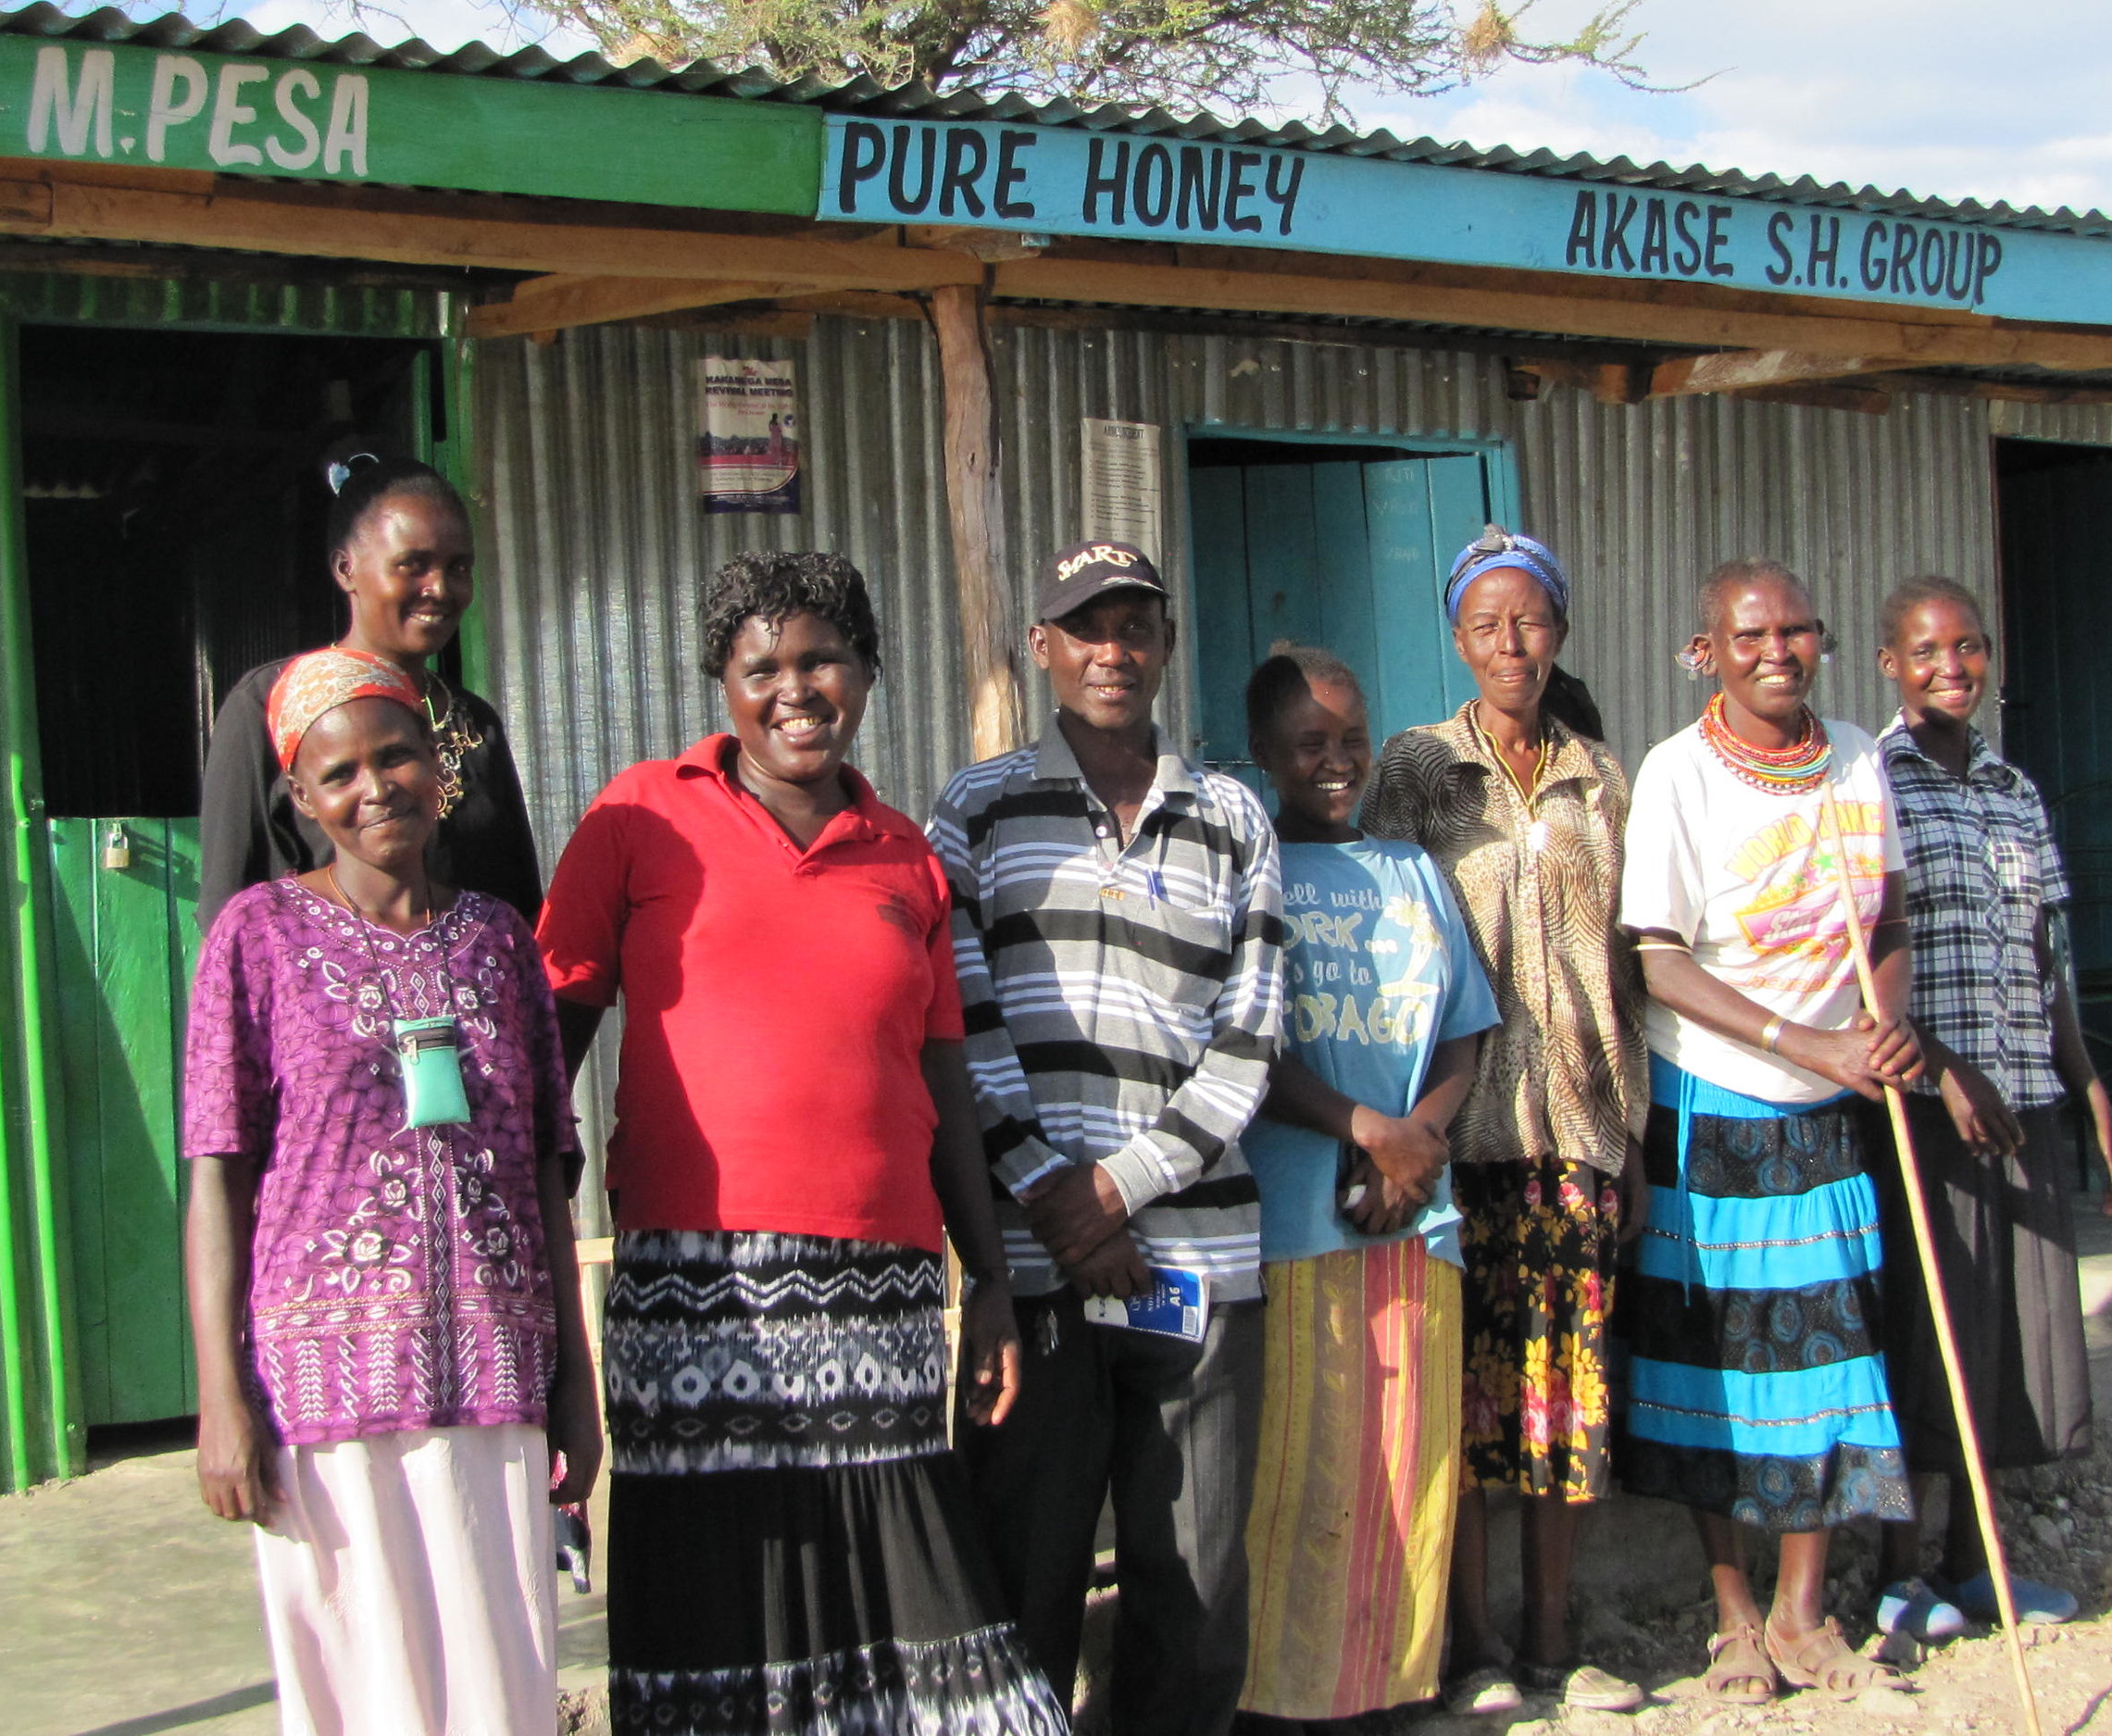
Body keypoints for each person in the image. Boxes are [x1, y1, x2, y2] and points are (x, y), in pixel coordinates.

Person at [536, 553, 1063, 1734]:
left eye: (821, 658)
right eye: (758, 666)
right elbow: (542, 1043)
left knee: (907, 1601)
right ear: (720, 686)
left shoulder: (904, 858)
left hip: (878, 1287)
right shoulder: (641, 816)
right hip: (693, 1285)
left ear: (868, 672)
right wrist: (523, 1237)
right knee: (717, 1597)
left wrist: (989, 1283)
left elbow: (944, 1084)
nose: (794, 689)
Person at [182, 647, 599, 1735]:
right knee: (362, 1684)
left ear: (438, 767)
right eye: (342, 773)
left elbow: (549, 1177)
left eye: (398, 756)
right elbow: (216, 1178)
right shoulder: (256, 938)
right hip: (320, 1390)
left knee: (500, 1679)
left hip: (498, 1374)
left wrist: (575, 1384)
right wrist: (220, 1398)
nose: (376, 788)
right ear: (304, 798)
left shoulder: (503, 944)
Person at [930, 538, 1284, 1736]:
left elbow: (1251, 1035)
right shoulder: (974, 810)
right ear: (1042, 648)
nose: (1113, 650)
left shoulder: (1234, 815)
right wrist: (1057, 1204)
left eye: (1136, 625)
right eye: (1086, 626)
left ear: (1167, 644)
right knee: (1021, 1567)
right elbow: (957, 1025)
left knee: (1191, 1589)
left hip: (1194, 1268)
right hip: (1036, 1269)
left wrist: (1119, 1190)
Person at [1617, 558, 1922, 1703]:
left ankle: (1806, 1611)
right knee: (1720, 1358)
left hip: (1835, 1097)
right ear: (1707, 653)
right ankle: (1733, 1616)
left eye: (1797, 630)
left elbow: (1884, 916)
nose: (1776, 652)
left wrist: (1880, 1027)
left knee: (1831, 1353)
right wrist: (1811, 1045)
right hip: (1717, 1096)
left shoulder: (1853, 755)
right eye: (1751, 636)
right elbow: (1658, 962)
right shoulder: (1678, 776)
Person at [1360, 528, 1648, 1717]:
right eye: (1485, 624)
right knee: (1459, 1402)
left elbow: (1635, 961)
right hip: (1451, 1139)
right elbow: (1367, 927)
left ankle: (1548, 1640)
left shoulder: (1599, 776)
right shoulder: (1417, 768)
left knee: (1560, 1399)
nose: (1508, 643)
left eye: (1528, 620)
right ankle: (1464, 1644)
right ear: (1458, 639)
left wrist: (1634, 1133)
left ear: (1560, 631)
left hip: (1577, 1132)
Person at [1864, 575, 2112, 1636]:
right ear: (1891, 661)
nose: (1952, 668)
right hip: (1926, 1110)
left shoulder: (2013, 791)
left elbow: (2044, 958)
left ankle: (1974, 1563)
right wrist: (1937, 1070)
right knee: (1931, 1333)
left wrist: (2095, 1093)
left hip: (2023, 1097)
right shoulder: (1869, 784)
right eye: (1928, 650)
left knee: (2012, 1343)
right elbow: (1858, 961)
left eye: (1969, 647)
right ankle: (1901, 1576)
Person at [1232, 643, 1496, 1729]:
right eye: (1309, 743)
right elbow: (1245, 1042)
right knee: (1303, 1466)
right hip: (1297, 1219)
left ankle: (1391, 1683)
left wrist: (1415, 1142)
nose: (1334, 762)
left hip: (1413, 1217)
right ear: (1263, 754)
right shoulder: (1249, 873)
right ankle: (1286, 1698)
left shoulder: (1413, 872)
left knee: (1406, 1458)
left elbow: (1467, 1032)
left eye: (1351, 740)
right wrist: (1366, 1132)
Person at [198, 452, 542, 932]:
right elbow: (227, 915)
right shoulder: (269, 706)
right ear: (345, 570)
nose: (440, 588)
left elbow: (517, 907)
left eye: (458, 568)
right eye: (413, 565)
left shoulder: (474, 722)